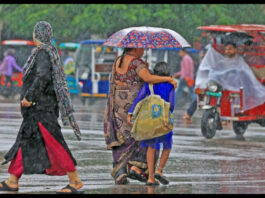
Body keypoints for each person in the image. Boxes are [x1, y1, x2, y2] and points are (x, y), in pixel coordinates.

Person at [0, 21, 84, 194]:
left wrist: (29, 97)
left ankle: (75, 181)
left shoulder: (43, 53)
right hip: (39, 108)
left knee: (55, 143)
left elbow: (43, 77)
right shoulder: (47, 52)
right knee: (25, 141)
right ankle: (12, 180)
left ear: (36, 34)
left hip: (41, 108)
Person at [104, 47, 177, 185]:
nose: (143, 50)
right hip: (134, 104)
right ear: (136, 48)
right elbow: (148, 78)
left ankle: (120, 171)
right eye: (142, 47)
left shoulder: (118, 60)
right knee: (142, 136)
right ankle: (137, 168)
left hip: (117, 104)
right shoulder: (137, 63)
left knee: (123, 139)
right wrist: (168, 78)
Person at [127, 62, 175, 186]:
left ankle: (151, 178)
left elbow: (140, 98)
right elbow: (172, 105)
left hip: (150, 121)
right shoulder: (170, 86)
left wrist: (131, 112)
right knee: (167, 145)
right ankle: (159, 170)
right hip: (163, 121)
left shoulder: (149, 85)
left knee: (151, 147)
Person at [173, 48, 197, 122]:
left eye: (180, 52)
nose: (179, 53)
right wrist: (177, 74)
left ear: (183, 52)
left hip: (186, 78)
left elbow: (186, 70)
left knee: (179, 91)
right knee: (190, 92)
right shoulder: (188, 58)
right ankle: (195, 100)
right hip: (188, 78)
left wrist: (184, 77)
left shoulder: (186, 59)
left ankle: (172, 103)